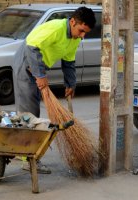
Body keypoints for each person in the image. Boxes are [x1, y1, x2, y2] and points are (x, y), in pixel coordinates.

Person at [13, 6, 96, 174]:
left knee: (30, 112)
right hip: (26, 63)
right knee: (30, 113)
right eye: (81, 31)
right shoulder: (55, 28)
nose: (82, 36)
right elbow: (31, 47)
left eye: (85, 33)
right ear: (72, 22)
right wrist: (40, 75)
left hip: (38, 66)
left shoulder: (75, 38)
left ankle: (21, 151)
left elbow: (69, 61)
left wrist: (70, 84)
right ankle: (27, 159)